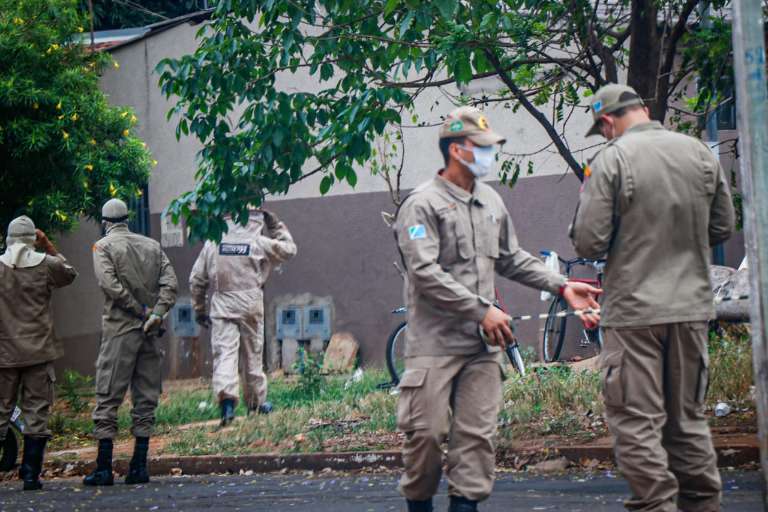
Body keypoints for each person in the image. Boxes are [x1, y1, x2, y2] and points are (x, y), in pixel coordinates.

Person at [393, 106, 601, 512]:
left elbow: (511, 258)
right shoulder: (422, 205)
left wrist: (562, 287)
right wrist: (480, 310)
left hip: (482, 348)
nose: (490, 154)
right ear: (456, 150)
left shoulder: (490, 200)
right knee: (426, 439)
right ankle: (418, 504)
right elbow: (424, 273)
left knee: (475, 442)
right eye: (482, 147)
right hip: (434, 345)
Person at [571, 83, 735, 512]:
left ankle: (657, 506)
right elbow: (722, 228)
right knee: (688, 422)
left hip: (634, 315)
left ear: (606, 122)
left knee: (636, 424)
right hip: (691, 309)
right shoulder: (699, 153)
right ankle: (703, 504)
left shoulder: (611, 160)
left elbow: (589, 242)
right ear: (642, 109)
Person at [83, 199, 178, 486]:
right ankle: (139, 466)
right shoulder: (151, 245)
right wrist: (157, 315)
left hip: (119, 332)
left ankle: (103, 468)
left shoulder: (102, 247)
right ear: (127, 218)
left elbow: (110, 286)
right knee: (145, 397)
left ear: (104, 221)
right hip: (149, 333)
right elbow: (171, 284)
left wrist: (141, 312)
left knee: (108, 395)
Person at [190, 209, 296, 426]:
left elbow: (196, 280)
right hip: (251, 303)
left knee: (225, 353)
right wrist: (275, 224)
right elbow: (289, 249)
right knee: (253, 354)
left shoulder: (213, 243)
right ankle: (256, 403)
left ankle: (227, 404)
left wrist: (199, 309)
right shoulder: (257, 241)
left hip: (222, 305)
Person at [0, 216, 77, 490]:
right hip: (38, 353)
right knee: (36, 415)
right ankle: (31, 475)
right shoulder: (46, 265)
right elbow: (69, 272)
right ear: (34, 238)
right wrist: (48, 246)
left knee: (1, 411)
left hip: (4, 355)